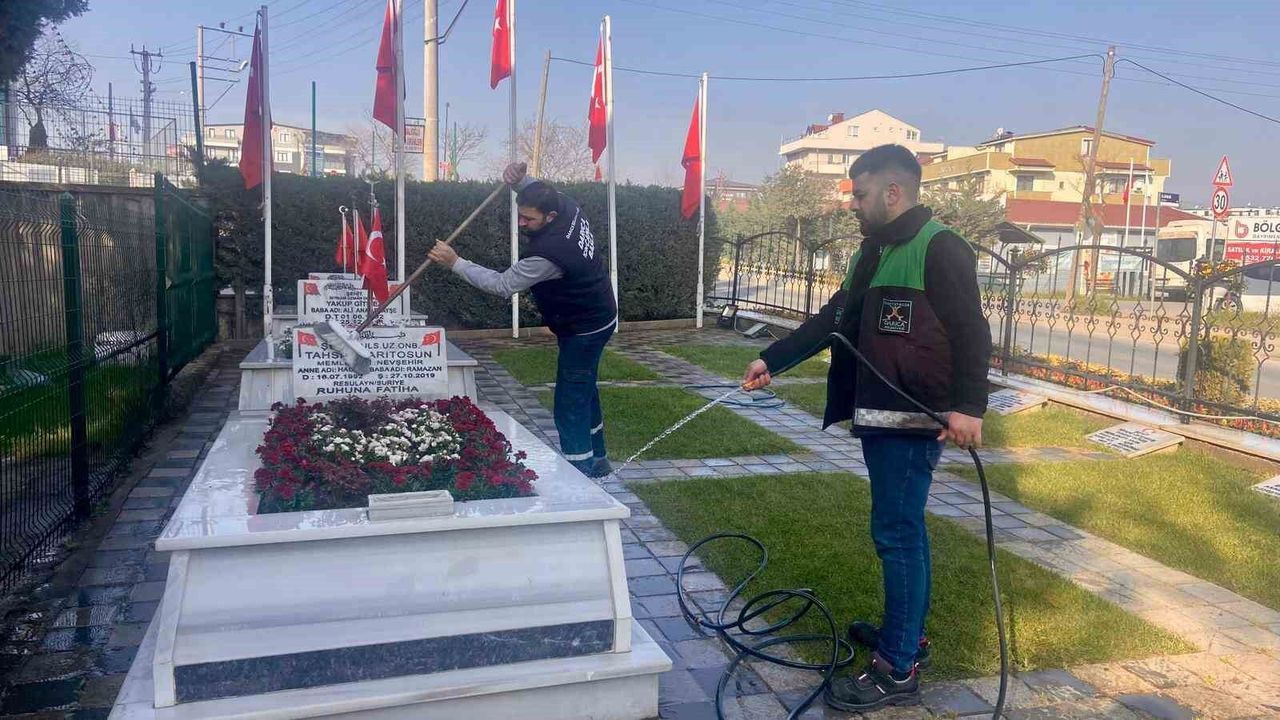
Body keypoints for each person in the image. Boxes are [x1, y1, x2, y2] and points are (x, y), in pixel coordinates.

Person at [742, 144, 990, 712]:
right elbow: (834, 320)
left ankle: (897, 669)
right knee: (902, 532)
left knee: (897, 535)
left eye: (860, 194)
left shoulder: (941, 247)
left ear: (893, 192)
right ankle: (907, 636)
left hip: (914, 418)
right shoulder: (871, 252)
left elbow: (972, 332)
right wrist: (773, 359)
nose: (853, 204)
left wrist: (969, 407)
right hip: (879, 414)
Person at [428, 162, 618, 478]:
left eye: (528, 219)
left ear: (550, 217)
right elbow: (537, 190)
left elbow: (502, 285)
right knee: (583, 386)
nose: (521, 223)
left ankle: (580, 472)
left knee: (570, 399)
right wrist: (520, 181)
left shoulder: (548, 254)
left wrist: (455, 262)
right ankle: (598, 459)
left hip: (584, 328)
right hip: (598, 313)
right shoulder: (565, 203)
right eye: (520, 215)